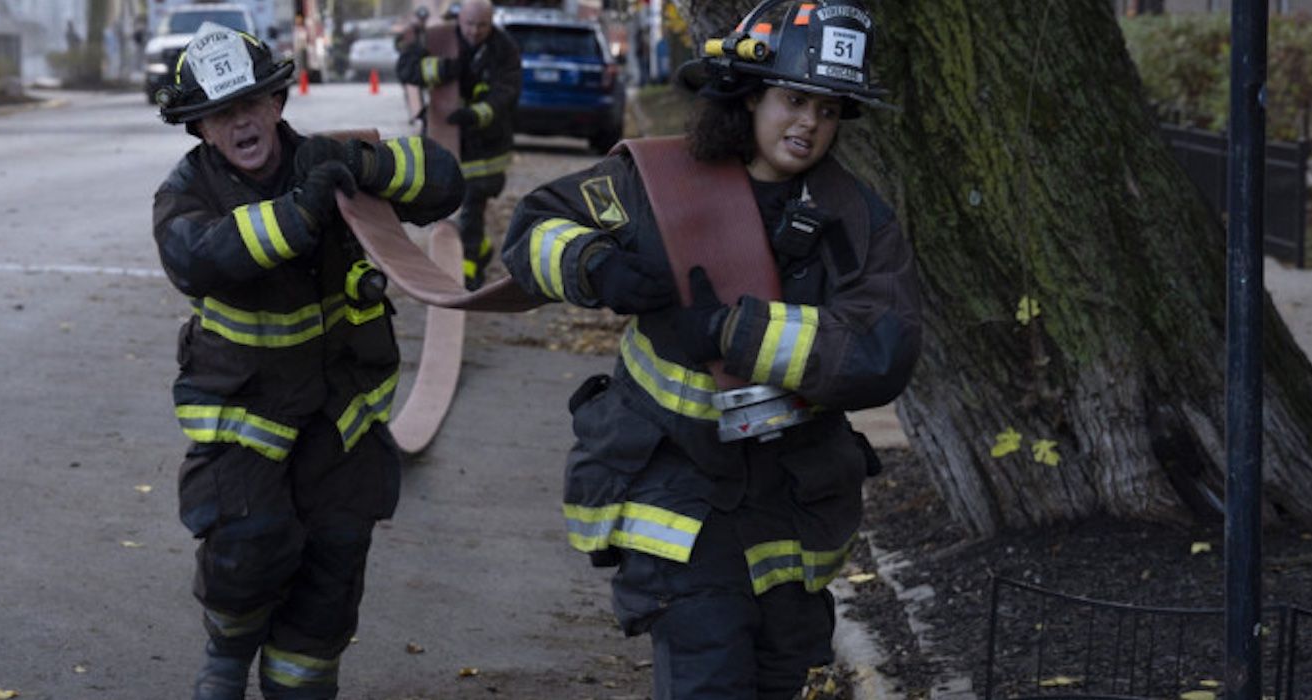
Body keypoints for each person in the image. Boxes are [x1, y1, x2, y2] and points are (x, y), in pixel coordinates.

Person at [499, 1, 922, 697]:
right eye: (794, 100)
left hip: (792, 501)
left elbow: (884, 348)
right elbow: (537, 228)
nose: (810, 124)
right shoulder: (659, 185)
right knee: (708, 675)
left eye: (828, 109)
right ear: (750, 94)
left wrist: (733, 333)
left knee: (782, 676)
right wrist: (594, 266)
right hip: (677, 493)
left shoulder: (856, 219)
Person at [150, 23, 464, 699]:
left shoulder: (328, 157)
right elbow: (197, 257)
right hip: (246, 418)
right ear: (200, 128)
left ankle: (302, 685)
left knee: (336, 560)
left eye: (250, 104)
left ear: (277, 104)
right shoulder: (185, 193)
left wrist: (370, 169)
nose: (240, 122)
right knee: (251, 544)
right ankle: (228, 655)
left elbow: (444, 181)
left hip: (341, 416)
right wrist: (298, 214)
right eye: (221, 112)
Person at [395, 0, 522, 291]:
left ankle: (470, 271)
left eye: (482, 26)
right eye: (469, 24)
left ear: (491, 23)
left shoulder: (504, 49)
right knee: (444, 203)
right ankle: (478, 249)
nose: (475, 32)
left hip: (485, 148)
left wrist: (476, 115)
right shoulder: (439, 37)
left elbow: (507, 92)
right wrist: (441, 69)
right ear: (458, 19)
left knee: (472, 206)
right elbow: (406, 67)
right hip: (444, 138)